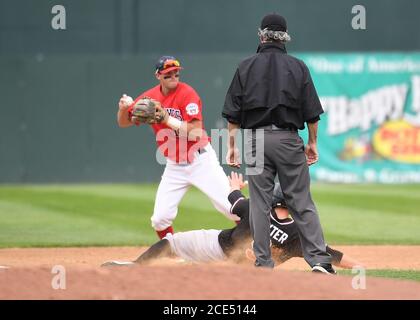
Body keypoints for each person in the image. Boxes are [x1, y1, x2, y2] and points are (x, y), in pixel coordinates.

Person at [221, 13, 335, 273]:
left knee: (259, 204)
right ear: (285, 37)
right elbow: (312, 114)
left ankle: (263, 263)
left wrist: (232, 146)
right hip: (287, 139)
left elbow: (232, 114)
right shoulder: (298, 66)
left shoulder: (245, 66)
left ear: (261, 35)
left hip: (255, 140)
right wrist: (312, 143)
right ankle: (319, 261)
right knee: (301, 201)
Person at [102, 172, 362, 270]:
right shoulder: (299, 235)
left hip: (216, 247)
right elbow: (332, 256)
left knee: (171, 243)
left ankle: (136, 267)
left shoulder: (256, 208)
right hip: (245, 273)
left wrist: (235, 185)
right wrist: (361, 268)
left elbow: (234, 200)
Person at [117, 56, 239, 239]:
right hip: (174, 165)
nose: (173, 76)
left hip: (201, 160)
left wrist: (167, 120)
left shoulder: (187, 94)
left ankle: (255, 243)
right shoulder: (150, 98)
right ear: (158, 75)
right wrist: (123, 109)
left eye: (176, 72)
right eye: (168, 74)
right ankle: (171, 253)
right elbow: (124, 122)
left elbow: (197, 132)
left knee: (232, 208)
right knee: (160, 219)